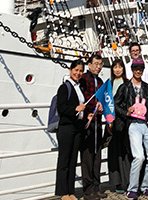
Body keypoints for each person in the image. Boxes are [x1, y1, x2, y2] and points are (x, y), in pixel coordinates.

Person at [115, 57, 148, 199]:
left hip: (147, 125)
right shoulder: (125, 87)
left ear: (143, 70)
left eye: (140, 68)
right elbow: (115, 104)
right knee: (138, 156)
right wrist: (125, 112)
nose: (138, 71)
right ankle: (132, 188)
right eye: (136, 68)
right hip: (133, 124)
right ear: (132, 70)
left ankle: (146, 186)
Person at [55, 59, 87, 200]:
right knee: (64, 160)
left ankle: (70, 191)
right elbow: (61, 107)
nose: (78, 73)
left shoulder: (80, 87)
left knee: (73, 160)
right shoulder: (64, 87)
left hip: (77, 127)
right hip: (66, 127)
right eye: (76, 70)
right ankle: (63, 193)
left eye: (80, 71)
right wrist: (75, 108)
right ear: (70, 70)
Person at [80, 54, 106, 200]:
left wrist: (102, 106)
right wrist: (91, 108)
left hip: (98, 120)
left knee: (97, 155)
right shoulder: (84, 79)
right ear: (89, 65)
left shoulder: (100, 81)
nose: (98, 66)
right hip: (87, 121)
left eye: (100, 64)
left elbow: (102, 98)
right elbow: (82, 98)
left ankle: (97, 186)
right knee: (87, 156)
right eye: (96, 64)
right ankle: (88, 189)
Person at [108, 58, 131, 194]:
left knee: (126, 152)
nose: (117, 69)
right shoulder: (109, 84)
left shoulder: (127, 84)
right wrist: (109, 121)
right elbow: (107, 104)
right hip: (113, 122)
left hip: (125, 122)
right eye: (115, 67)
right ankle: (116, 182)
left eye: (120, 67)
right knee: (114, 152)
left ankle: (127, 180)